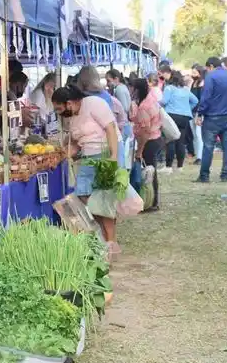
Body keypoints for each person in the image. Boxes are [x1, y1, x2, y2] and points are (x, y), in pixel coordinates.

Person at [51, 86, 120, 252]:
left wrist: (113, 156)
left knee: (103, 200)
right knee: (84, 195)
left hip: (104, 156)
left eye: (59, 108)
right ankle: (101, 234)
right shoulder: (72, 117)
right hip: (88, 159)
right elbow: (75, 143)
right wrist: (60, 156)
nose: (59, 113)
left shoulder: (94, 103)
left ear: (69, 103)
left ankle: (110, 241)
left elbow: (111, 129)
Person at [195, 57, 227, 183]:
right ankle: (226, 174)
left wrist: (200, 113)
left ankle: (204, 175)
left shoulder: (211, 77)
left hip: (212, 117)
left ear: (211, 66)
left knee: (208, 147)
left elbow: (206, 97)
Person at [130, 78, 164, 210]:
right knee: (151, 171)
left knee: (149, 173)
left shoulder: (144, 107)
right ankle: (152, 201)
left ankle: (151, 202)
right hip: (156, 138)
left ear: (137, 90)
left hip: (149, 141)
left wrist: (140, 150)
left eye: (132, 88)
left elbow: (145, 131)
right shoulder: (152, 99)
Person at [160, 70, 198, 171]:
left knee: (170, 140)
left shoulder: (169, 88)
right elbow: (195, 101)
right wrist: (187, 108)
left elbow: (164, 101)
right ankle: (180, 166)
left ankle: (168, 166)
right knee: (181, 142)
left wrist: (157, 103)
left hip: (172, 116)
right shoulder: (186, 89)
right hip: (184, 117)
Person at [189, 65, 205, 164]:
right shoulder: (193, 83)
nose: (192, 74)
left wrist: (199, 114)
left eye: (195, 72)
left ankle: (200, 156)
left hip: (199, 112)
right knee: (194, 134)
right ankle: (197, 154)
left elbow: (202, 100)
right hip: (192, 111)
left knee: (199, 135)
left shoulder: (202, 84)